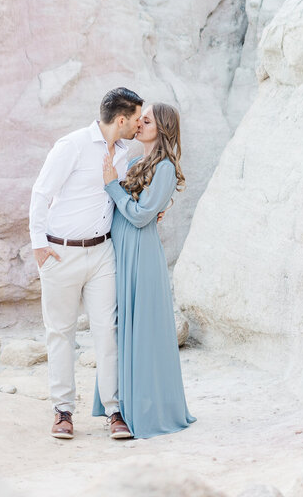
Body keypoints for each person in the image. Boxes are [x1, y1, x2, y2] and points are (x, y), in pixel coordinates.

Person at [30, 87, 144, 440]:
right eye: (137, 119)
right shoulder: (72, 145)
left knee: (106, 332)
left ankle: (114, 411)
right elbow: (41, 193)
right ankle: (63, 411)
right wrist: (38, 245)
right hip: (60, 253)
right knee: (61, 333)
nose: (140, 125)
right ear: (121, 119)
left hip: (102, 254)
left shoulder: (126, 153)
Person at [92, 102, 196, 438]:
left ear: (161, 128)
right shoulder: (137, 162)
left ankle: (146, 410)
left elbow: (139, 215)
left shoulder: (165, 167)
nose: (140, 123)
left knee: (143, 328)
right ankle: (118, 405)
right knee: (120, 325)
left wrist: (113, 186)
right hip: (121, 249)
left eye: (146, 120)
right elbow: (133, 207)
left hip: (141, 253)